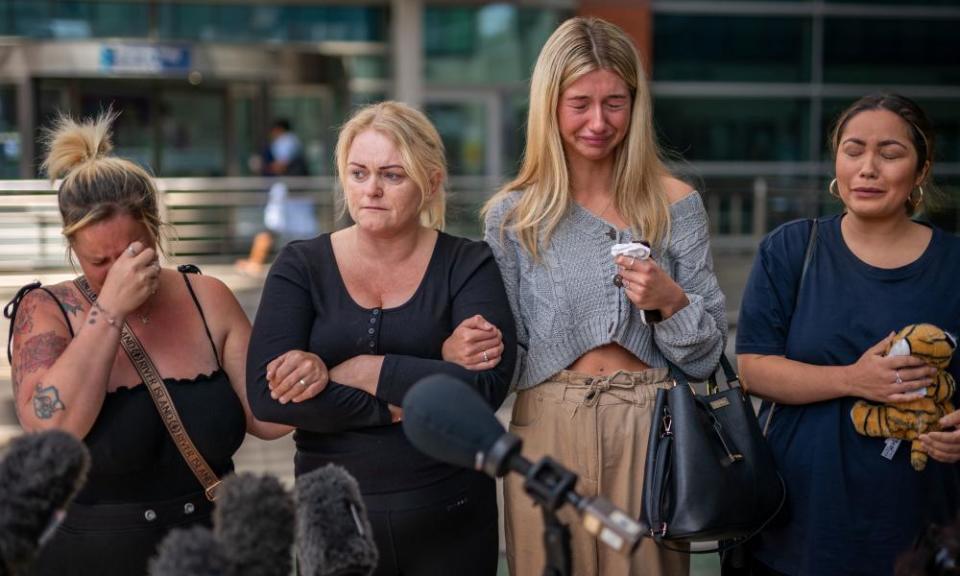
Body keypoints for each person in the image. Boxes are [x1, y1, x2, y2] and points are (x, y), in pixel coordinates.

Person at [482, 17, 726, 576]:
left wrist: (670, 300)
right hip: (545, 423)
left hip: (654, 423)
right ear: (550, 106)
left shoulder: (675, 205)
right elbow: (505, 359)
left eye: (615, 102)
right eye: (579, 103)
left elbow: (708, 356)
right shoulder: (512, 217)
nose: (598, 121)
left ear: (635, 105)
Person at [3, 112, 291, 576]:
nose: (121, 271)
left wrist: (314, 365)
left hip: (212, 551)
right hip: (94, 557)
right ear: (73, 248)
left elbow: (268, 417)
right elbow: (52, 430)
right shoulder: (45, 311)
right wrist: (109, 311)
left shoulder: (206, 296)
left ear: (155, 230)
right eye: (100, 260)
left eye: (134, 252)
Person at [246, 101, 516, 576]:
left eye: (392, 175)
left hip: (449, 513)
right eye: (358, 173)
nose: (371, 189)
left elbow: (482, 390)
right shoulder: (300, 266)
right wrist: (426, 374)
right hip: (332, 518)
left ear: (431, 183)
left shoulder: (468, 263)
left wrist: (355, 371)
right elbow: (269, 398)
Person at [737, 93, 960, 575]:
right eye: (853, 149)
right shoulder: (792, 249)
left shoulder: (954, 263)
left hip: (920, 528)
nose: (868, 168)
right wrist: (854, 380)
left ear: (921, 171)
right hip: (800, 526)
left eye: (891, 153)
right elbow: (753, 368)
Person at [236, 118, 313, 274]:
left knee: (272, 226)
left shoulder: (286, 141)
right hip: (294, 194)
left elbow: (280, 165)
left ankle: (255, 262)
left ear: (278, 129)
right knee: (287, 229)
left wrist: (261, 165)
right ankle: (256, 261)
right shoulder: (294, 141)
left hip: (288, 194)